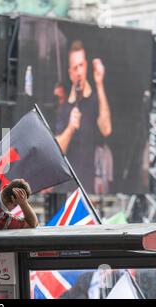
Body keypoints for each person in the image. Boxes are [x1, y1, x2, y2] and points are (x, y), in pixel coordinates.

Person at [55, 40, 112, 193]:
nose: (79, 71)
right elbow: (57, 150)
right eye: (75, 68)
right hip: (67, 188)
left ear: (86, 66)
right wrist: (70, 128)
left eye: (81, 65)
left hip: (90, 186)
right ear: (70, 73)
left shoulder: (95, 98)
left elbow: (106, 129)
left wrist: (99, 83)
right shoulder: (65, 107)